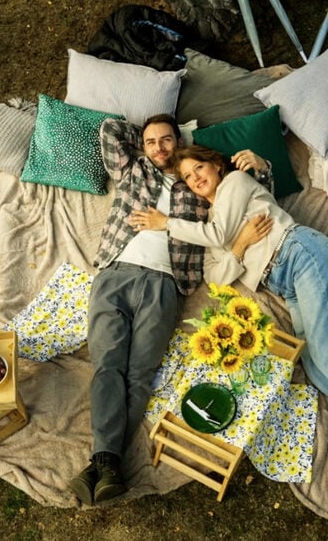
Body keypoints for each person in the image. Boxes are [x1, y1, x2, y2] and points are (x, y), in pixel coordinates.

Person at [130, 145, 328, 503]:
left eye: (199, 168)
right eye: (188, 178)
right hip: (287, 283)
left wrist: (166, 223)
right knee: (318, 367)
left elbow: (217, 235)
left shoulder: (236, 184)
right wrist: (240, 245)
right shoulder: (209, 227)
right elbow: (218, 278)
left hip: (302, 254)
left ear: (215, 165)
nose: (196, 179)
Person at [69, 115, 270, 505]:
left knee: (140, 373)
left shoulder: (197, 183)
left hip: (165, 284)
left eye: (167, 141)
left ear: (180, 143)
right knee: (109, 363)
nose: (159, 148)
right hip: (116, 274)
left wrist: (260, 166)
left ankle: (103, 464)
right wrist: (153, 137)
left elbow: (254, 195)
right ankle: (107, 463)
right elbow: (110, 128)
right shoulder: (131, 170)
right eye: (151, 142)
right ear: (141, 147)